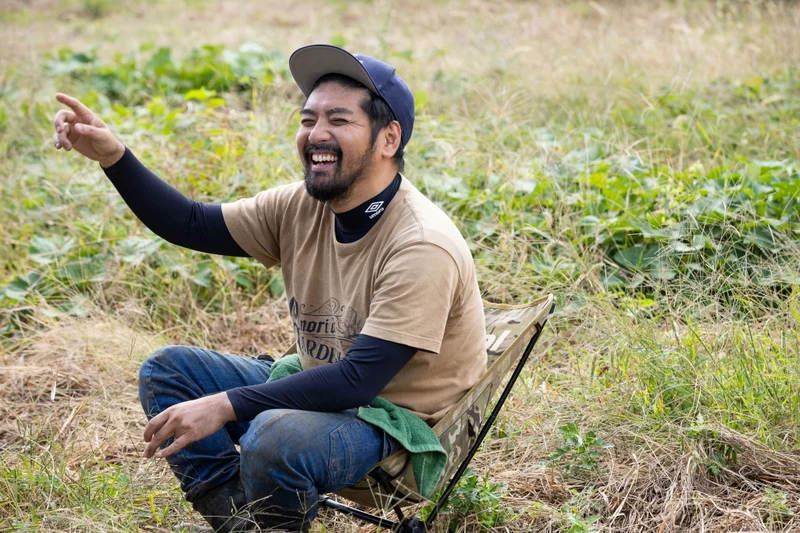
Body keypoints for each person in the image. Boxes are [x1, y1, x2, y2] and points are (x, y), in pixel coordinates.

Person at [52, 44, 486, 532]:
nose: (316, 134)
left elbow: (359, 381)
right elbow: (190, 224)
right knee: (169, 373)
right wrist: (115, 157)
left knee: (272, 437)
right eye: (308, 119)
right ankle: (241, 521)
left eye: (339, 121)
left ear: (389, 139)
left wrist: (225, 405)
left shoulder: (421, 243)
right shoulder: (301, 206)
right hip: (326, 389)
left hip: (394, 426)